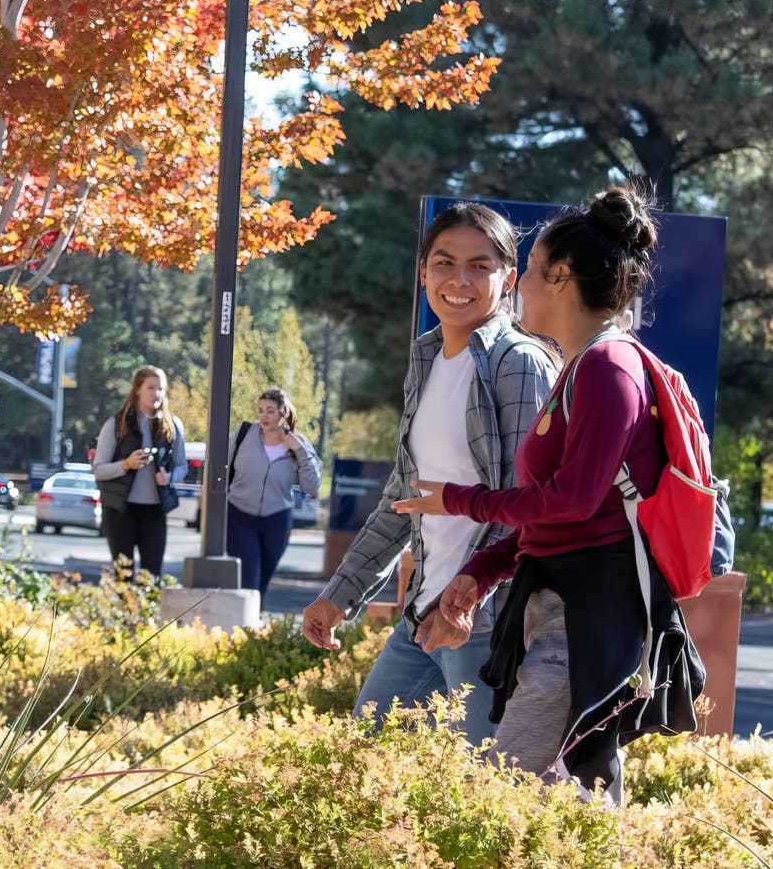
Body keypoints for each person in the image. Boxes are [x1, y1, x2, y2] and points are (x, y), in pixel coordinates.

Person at [392, 184, 704, 799]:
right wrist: (481, 571)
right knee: (569, 796)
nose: (520, 285)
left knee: (512, 795)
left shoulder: (609, 369)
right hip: (561, 609)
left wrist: (462, 499)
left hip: (587, 617)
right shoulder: (581, 367)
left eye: (529, 269)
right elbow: (564, 518)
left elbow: (573, 501)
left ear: (560, 277)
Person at [301, 202, 558, 746]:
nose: (458, 279)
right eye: (443, 263)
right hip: (425, 609)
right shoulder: (426, 358)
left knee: (488, 787)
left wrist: (467, 600)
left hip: (483, 617)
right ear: (423, 274)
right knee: (363, 758)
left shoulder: (519, 363)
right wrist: (341, 595)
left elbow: (528, 507)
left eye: (480, 266)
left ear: (508, 278)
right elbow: (404, 498)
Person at [226, 387, 322, 601]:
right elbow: (220, 464)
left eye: (270, 411)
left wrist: (299, 449)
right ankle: (244, 626)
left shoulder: (299, 444)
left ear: (283, 412)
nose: (263, 416)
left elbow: (312, 486)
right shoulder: (244, 435)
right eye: (260, 410)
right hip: (239, 513)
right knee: (249, 575)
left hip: (277, 518)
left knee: (263, 579)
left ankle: (254, 624)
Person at [92, 365, 188, 580]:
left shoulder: (173, 426)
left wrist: (169, 477)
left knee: (151, 577)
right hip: (120, 510)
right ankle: (122, 613)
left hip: (155, 511)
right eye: (151, 387)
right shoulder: (116, 424)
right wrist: (126, 464)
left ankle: (146, 614)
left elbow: (183, 466)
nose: (156, 394)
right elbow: (99, 470)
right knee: (123, 577)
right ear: (137, 389)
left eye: (161, 389)